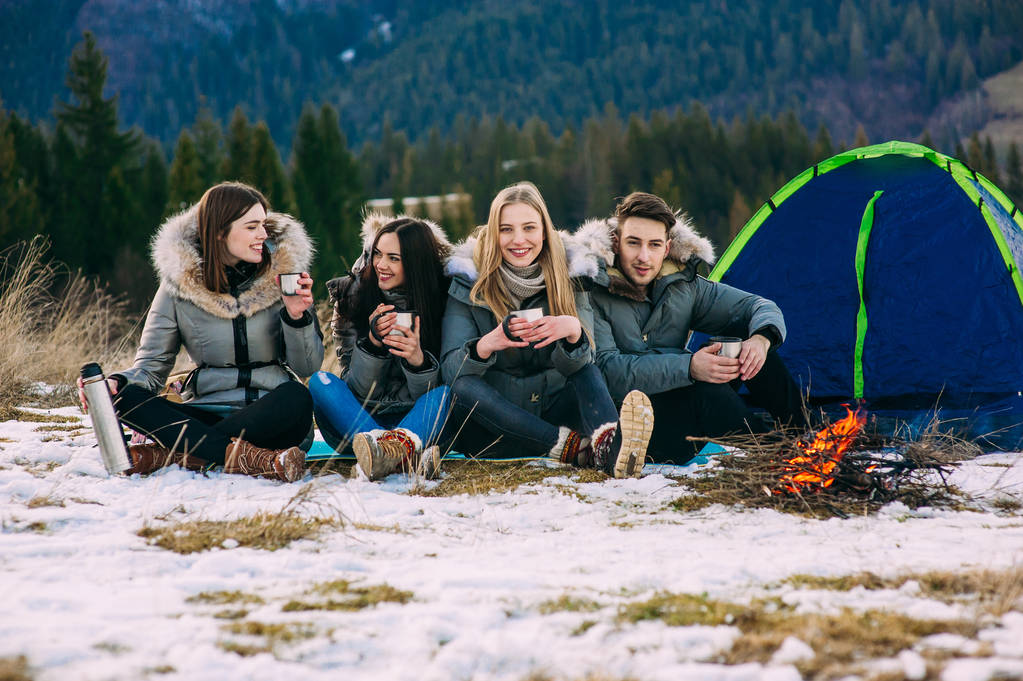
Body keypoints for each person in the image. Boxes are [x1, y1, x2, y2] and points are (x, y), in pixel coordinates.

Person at [77, 182, 323, 481]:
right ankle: (250, 459)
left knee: (297, 397)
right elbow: (152, 369)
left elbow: (306, 367)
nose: (263, 235)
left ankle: (175, 454)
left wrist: (297, 317)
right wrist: (117, 382)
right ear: (220, 231)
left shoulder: (284, 279)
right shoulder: (179, 288)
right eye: (252, 226)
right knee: (124, 399)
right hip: (208, 411)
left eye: (264, 225)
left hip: (271, 414)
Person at [441, 181, 652, 478]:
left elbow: (585, 362)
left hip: (556, 409)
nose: (518, 240)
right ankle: (568, 448)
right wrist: (487, 345)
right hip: (495, 430)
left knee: (587, 369)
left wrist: (573, 333)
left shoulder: (571, 274)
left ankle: (608, 448)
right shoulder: (468, 282)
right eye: (506, 229)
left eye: (529, 228)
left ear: (543, 231)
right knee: (462, 388)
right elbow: (449, 372)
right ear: (493, 233)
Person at [584, 191, 807, 464]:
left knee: (738, 341)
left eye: (654, 245)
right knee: (703, 390)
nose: (644, 256)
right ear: (616, 244)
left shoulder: (682, 285)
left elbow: (758, 306)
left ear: (666, 248)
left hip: (684, 406)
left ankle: (806, 436)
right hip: (631, 431)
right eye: (634, 243)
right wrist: (689, 368)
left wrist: (761, 339)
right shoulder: (591, 291)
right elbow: (609, 373)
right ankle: (784, 455)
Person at [310, 215, 452, 480]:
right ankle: (396, 452)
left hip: (416, 420)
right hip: (357, 419)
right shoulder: (353, 297)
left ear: (416, 263)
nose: (381, 265)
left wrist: (417, 361)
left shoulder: (443, 300)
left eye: (394, 258)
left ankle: (385, 455)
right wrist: (373, 345)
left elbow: (430, 394)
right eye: (377, 254)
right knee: (320, 382)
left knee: (444, 394)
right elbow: (357, 389)